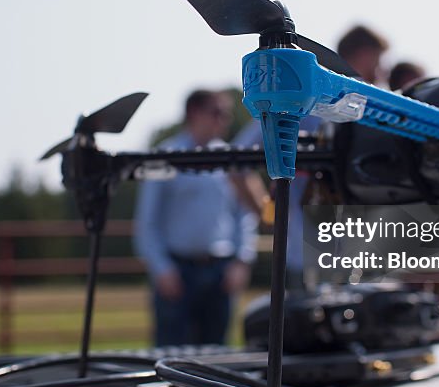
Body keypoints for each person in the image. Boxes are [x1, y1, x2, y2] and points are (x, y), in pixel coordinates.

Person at [234, 25, 391, 289]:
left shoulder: (371, 110)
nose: (381, 72)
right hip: (312, 259)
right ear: (361, 56)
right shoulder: (307, 99)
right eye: (377, 62)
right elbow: (238, 161)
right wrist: (270, 215)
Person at [134, 89, 257, 346]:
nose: (223, 120)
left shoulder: (229, 157)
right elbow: (147, 221)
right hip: (178, 271)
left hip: (220, 272)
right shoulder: (164, 156)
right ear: (193, 113)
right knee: (170, 356)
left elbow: (244, 214)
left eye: (225, 114)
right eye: (216, 112)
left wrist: (242, 260)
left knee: (216, 356)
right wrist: (162, 269)